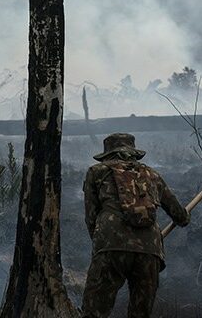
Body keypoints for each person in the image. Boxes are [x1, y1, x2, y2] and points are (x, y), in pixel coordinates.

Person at [81, 132, 190, 318]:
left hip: (111, 246)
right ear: (133, 152)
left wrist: (101, 244)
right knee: (140, 313)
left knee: (94, 311)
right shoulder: (152, 175)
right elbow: (179, 215)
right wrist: (184, 217)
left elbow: (91, 216)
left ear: (108, 154)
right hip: (149, 251)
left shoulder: (96, 172)